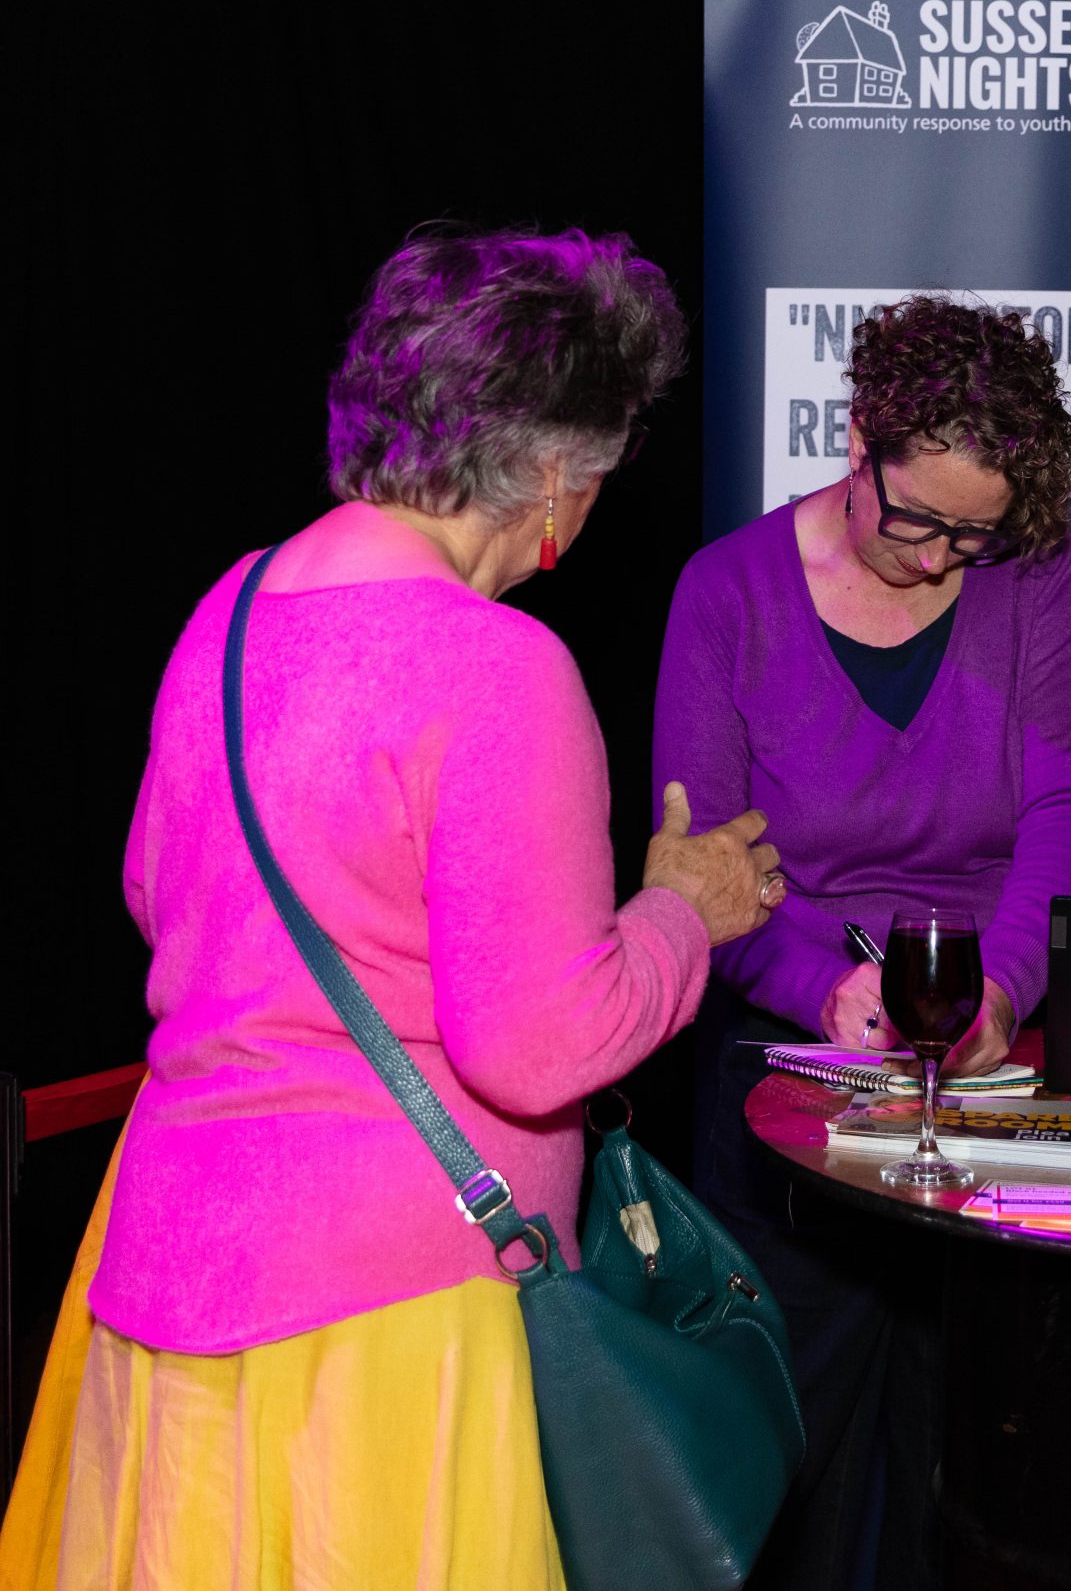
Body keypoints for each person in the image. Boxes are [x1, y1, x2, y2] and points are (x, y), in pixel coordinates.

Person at [9, 227, 781, 1589]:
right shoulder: (500, 669)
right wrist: (681, 911)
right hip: (388, 1324)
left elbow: (150, 889)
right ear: (557, 476)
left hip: (167, 1278)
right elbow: (538, 1044)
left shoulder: (230, 611)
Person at [654, 294, 1071, 1589]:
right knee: (786, 1478)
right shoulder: (728, 592)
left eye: (976, 534)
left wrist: (999, 988)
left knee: (977, 1481)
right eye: (918, 521)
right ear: (857, 440)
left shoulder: (1038, 571)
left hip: (990, 1068)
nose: (942, 559)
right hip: (786, 1082)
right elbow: (700, 869)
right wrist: (821, 987)